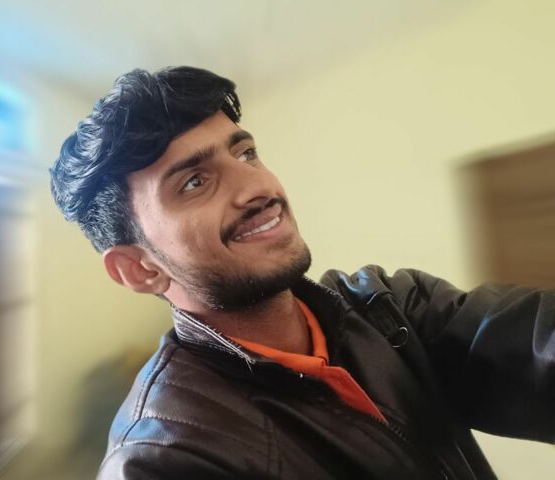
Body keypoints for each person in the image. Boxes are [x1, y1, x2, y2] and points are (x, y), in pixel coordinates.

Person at [50, 66, 554, 479]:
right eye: (195, 182)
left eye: (246, 152)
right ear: (139, 269)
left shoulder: (387, 305)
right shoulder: (163, 460)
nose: (258, 187)